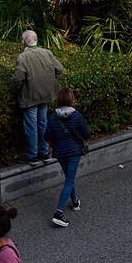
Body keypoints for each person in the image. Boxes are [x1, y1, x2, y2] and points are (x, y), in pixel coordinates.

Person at [10, 30, 62, 165]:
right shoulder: (47, 53)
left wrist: (14, 93)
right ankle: (44, 152)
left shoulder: (23, 57)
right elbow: (59, 69)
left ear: (23, 41)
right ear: (37, 39)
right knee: (43, 122)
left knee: (31, 125)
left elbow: (18, 79)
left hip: (30, 96)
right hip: (46, 94)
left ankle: (32, 155)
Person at [44, 88, 89, 228]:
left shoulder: (52, 117)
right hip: (74, 151)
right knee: (69, 180)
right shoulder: (77, 116)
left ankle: (75, 201)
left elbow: (47, 136)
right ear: (71, 99)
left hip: (60, 152)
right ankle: (59, 212)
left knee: (69, 178)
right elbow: (86, 133)